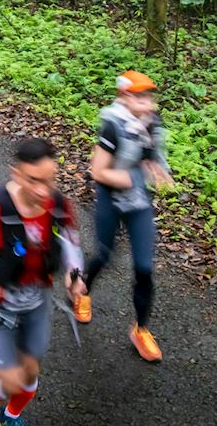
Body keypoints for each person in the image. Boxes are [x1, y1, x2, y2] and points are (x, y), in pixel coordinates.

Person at [0, 137, 86, 426]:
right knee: (12, 380)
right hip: (0, 304)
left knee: (29, 372)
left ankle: (9, 417)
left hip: (37, 299)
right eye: (33, 180)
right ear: (16, 173)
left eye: (49, 180)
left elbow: (72, 242)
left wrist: (74, 274)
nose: (43, 191)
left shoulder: (60, 205)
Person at [77, 70, 172, 362]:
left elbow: (153, 155)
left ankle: (141, 329)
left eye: (149, 96)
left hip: (139, 201)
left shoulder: (152, 122)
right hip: (111, 197)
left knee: (144, 267)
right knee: (104, 254)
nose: (148, 103)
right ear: (125, 97)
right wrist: (133, 176)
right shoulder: (112, 127)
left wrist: (158, 168)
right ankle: (83, 290)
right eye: (140, 96)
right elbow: (99, 171)